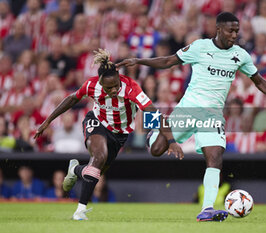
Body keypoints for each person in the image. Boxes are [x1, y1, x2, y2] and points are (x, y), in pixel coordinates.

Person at [116, 12, 266, 222]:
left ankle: (206, 209)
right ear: (218, 29)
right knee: (157, 150)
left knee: (214, 158)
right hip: (190, 108)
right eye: (230, 30)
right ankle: (155, 132)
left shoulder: (240, 55)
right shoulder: (200, 47)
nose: (234, 35)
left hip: (213, 115)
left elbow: (259, 81)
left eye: (236, 31)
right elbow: (168, 61)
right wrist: (138, 61)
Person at [34, 48, 183, 220]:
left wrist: (171, 140)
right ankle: (80, 212)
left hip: (119, 134)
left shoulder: (131, 88)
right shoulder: (92, 85)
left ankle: (74, 169)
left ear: (120, 79)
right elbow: (72, 98)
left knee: (95, 172)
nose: (113, 90)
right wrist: (48, 121)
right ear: (100, 82)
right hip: (96, 122)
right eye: (108, 87)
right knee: (99, 157)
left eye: (115, 86)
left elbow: (156, 114)